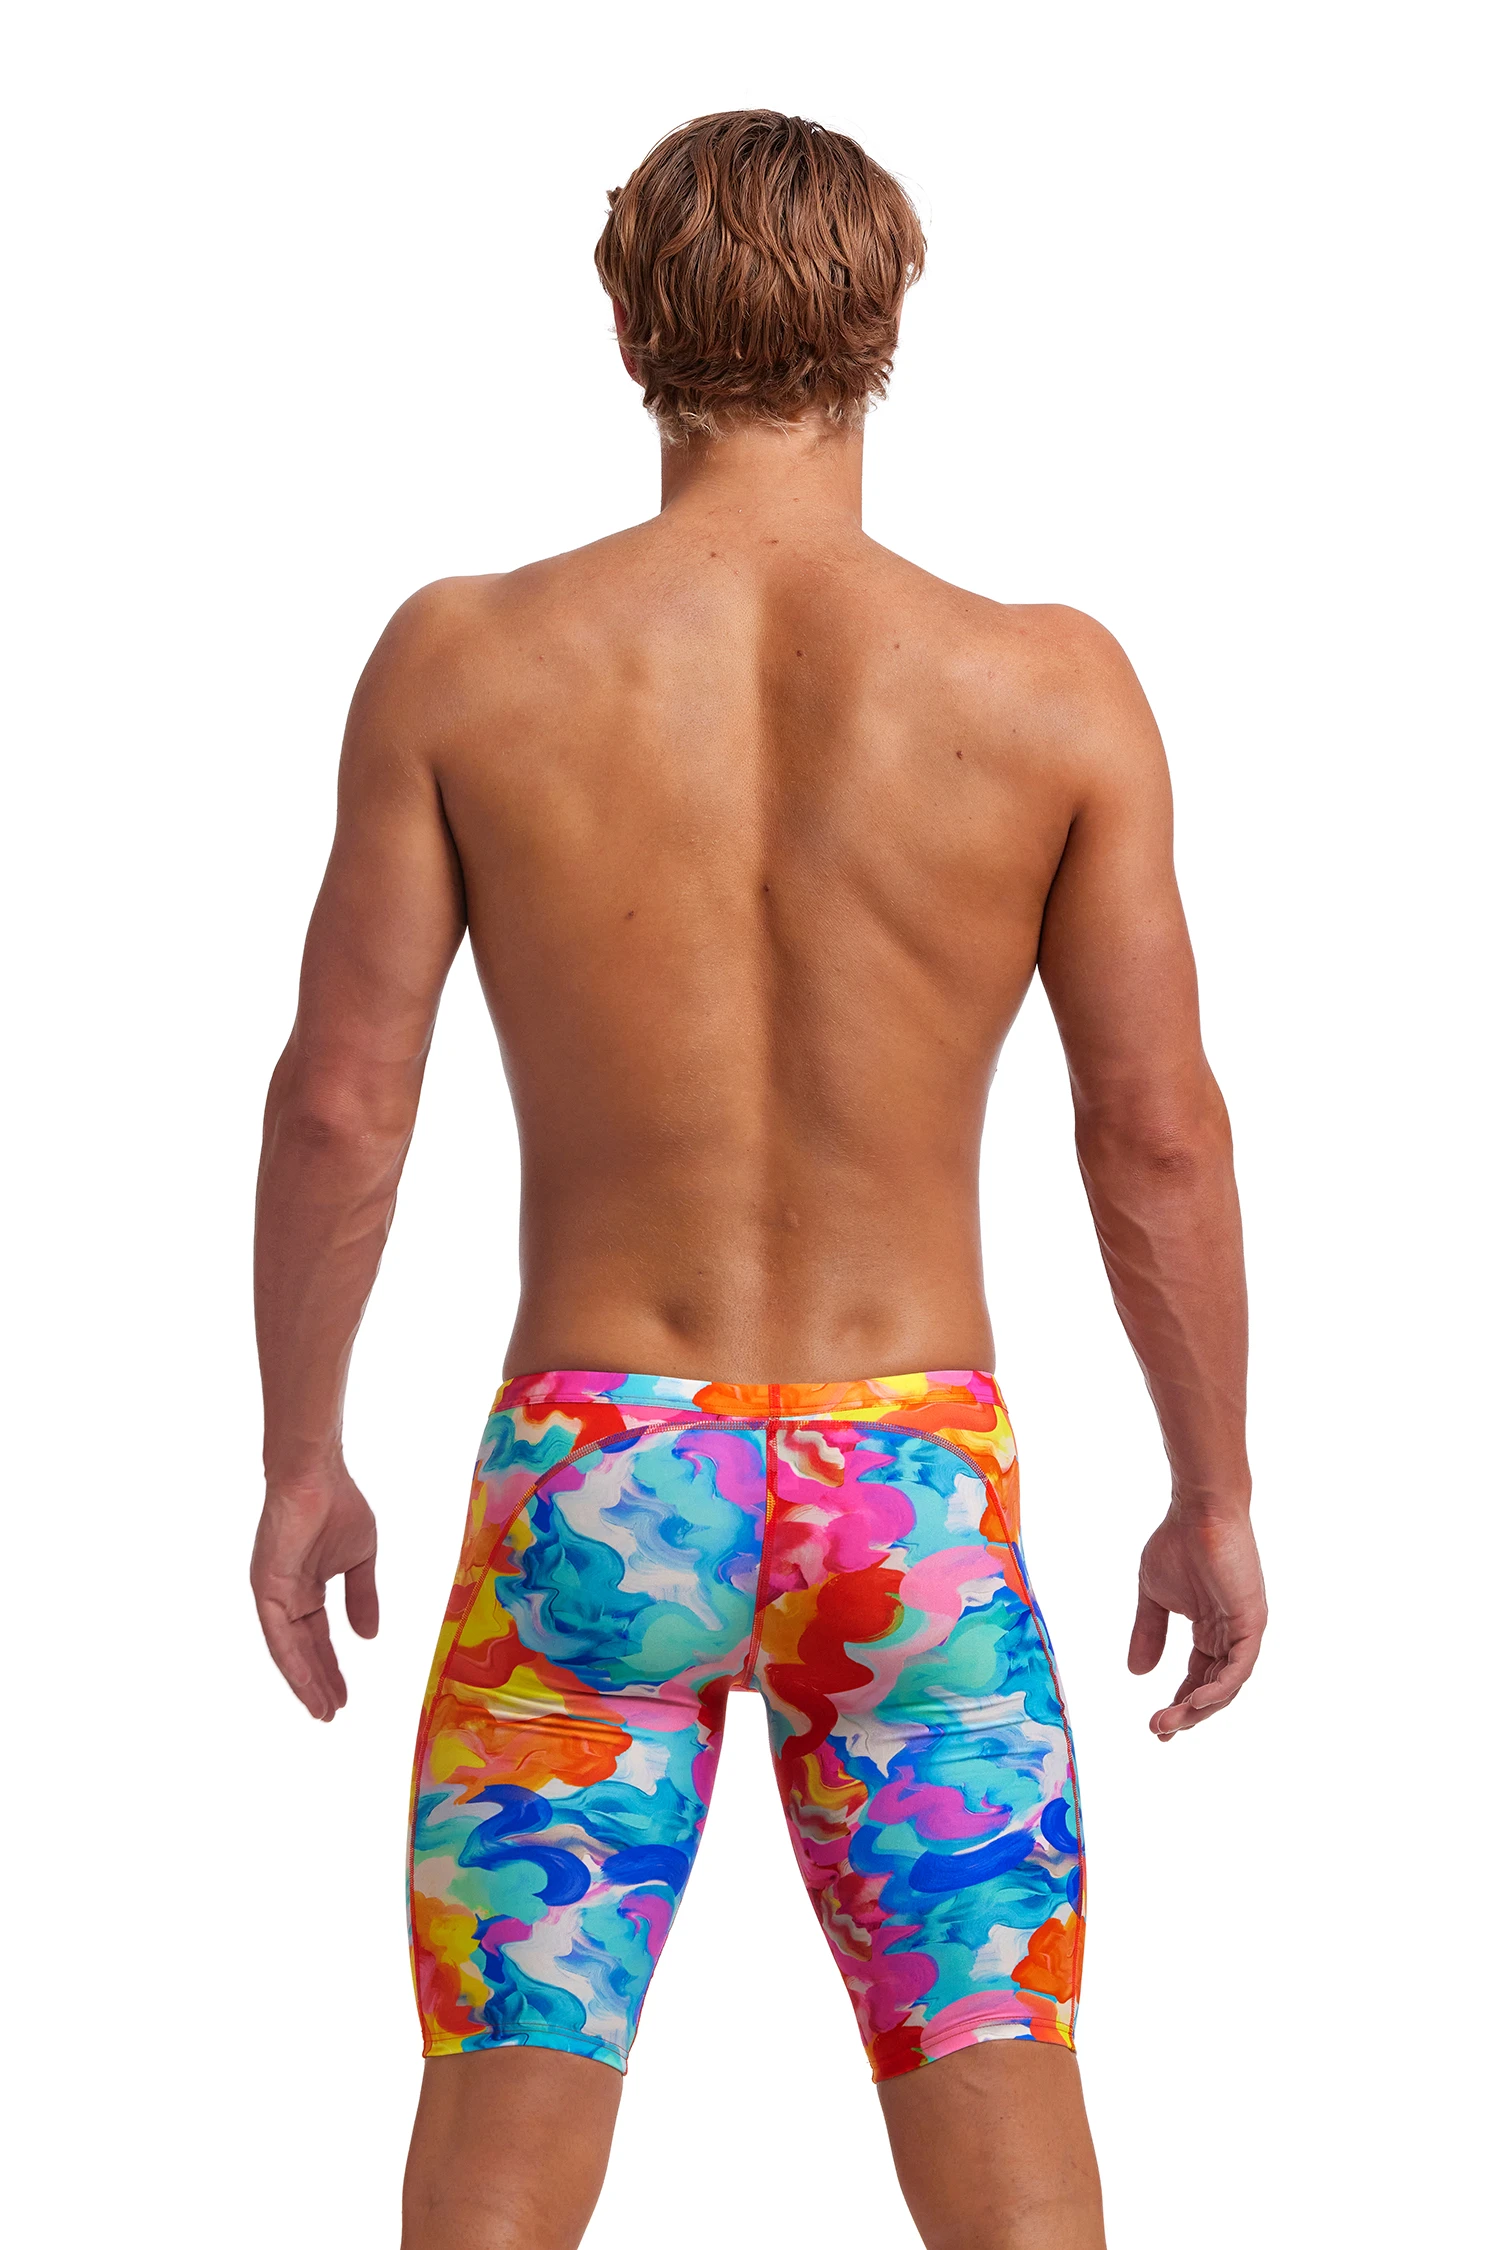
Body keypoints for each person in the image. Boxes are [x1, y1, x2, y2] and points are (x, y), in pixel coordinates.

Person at [251, 109, 1266, 2250]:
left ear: (626, 319)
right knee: (998, 2086)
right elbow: (1155, 1128)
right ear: (890, 319)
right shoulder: (1051, 688)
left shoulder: (464, 662)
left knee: (506, 2122)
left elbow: (344, 1101)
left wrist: (301, 1456)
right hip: (912, 1491)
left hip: (596, 1475)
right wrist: (1215, 1486)